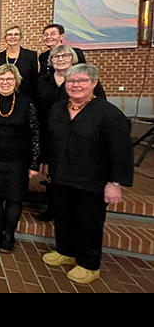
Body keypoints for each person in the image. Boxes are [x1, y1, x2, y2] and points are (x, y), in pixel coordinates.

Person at [42, 64, 133, 284]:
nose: (76, 85)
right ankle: (65, 251)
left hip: (92, 180)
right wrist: (46, 163)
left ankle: (89, 264)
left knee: (88, 222)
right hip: (61, 175)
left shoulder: (108, 113)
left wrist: (115, 182)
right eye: (71, 81)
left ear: (94, 83)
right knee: (63, 215)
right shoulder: (58, 109)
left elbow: (120, 150)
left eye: (82, 80)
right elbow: (49, 139)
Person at [36, 44, 106, 222]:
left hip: (80, 133)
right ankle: (53, 207)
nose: (60, 59)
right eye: (56, 57)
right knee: (51, 169)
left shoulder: (83, 80)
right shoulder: (42, 81)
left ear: (73, 58)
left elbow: (100, 105)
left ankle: (72, 209)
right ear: (51, 60)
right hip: (50, 131)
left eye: (65, 56)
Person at [0, 64, 40, 253]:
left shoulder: (26, 102)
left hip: (18, 160)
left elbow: (35, 133)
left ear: (16, 81)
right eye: (1, 79)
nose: (5, 82)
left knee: (14, 198)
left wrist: (34, 162)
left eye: (9, 79)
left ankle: (9, 235)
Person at [0, 25, 39, 101]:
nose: (13, 37)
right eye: (9, 34)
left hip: (26, 96)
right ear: (5, 38)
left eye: (16, 34)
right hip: (5, 96)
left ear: (20, 37)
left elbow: (34, 79)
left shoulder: (31, 55)